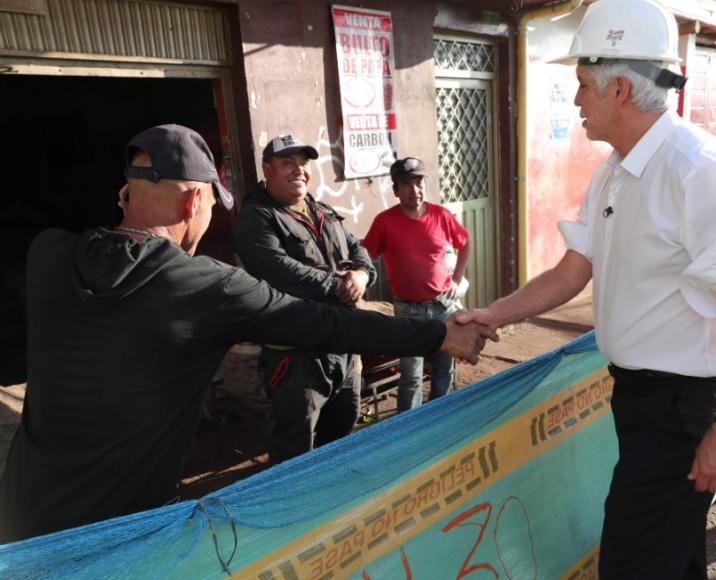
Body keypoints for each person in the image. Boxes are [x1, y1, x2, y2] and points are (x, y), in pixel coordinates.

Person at [0, 124, 495, 544]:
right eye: (212, 203)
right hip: (126, 537)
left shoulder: (46, 255)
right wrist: (437, 337)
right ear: (195, 199)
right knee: (292, 454)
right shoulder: (204, 285)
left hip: (22, 521)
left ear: (125, 192)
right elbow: (327, 322)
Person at [457, 1, 716, 578]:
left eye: (583, 85)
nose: (577, 99)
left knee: (632, 562)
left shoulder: (699, 170)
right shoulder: (617, 169)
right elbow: (571, 272)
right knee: (671, 555)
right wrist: (490, 314)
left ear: (621, 89)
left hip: (685, 408)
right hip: (640, 397)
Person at [231, 134, 376, 463]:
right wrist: (340, 283)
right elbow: (281, 271)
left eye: (303, 163)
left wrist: (363, 275)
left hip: (343, 349)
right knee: (293, 450)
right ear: (267, 169)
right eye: (287, 164)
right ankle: (291, 510)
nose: (299, 170)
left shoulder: (320, 209)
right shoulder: (256, 219)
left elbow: (357, 248)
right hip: (297, 358)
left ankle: (332, 501)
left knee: (340, 436)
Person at [362, 157, 470, 412]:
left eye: (419, 182)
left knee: (444, 367)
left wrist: (456, 280)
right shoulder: (384, 222)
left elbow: (464, 243)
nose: (415, 190)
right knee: (411, 376)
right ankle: (409, 427)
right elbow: (365, 255)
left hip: (444, 305)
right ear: (396, 190)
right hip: (408, 312)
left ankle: (438, 418)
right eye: (407, 185)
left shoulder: (441, 215)